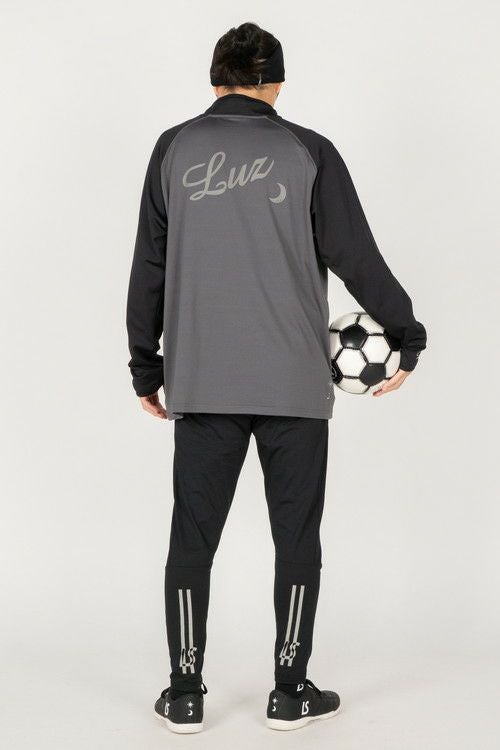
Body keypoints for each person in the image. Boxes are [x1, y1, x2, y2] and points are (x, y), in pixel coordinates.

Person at [126, 21, 427, 733]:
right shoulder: (308, 151)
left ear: (214, 79)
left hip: (203, 381)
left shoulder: (173, 148)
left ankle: (185, 692)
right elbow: (357, 257)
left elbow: (149, 266)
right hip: (294, 383)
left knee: (192, 538)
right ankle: (290, 691)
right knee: (297, 538)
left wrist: (146, 364)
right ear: (278, 83)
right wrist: (406, 334)